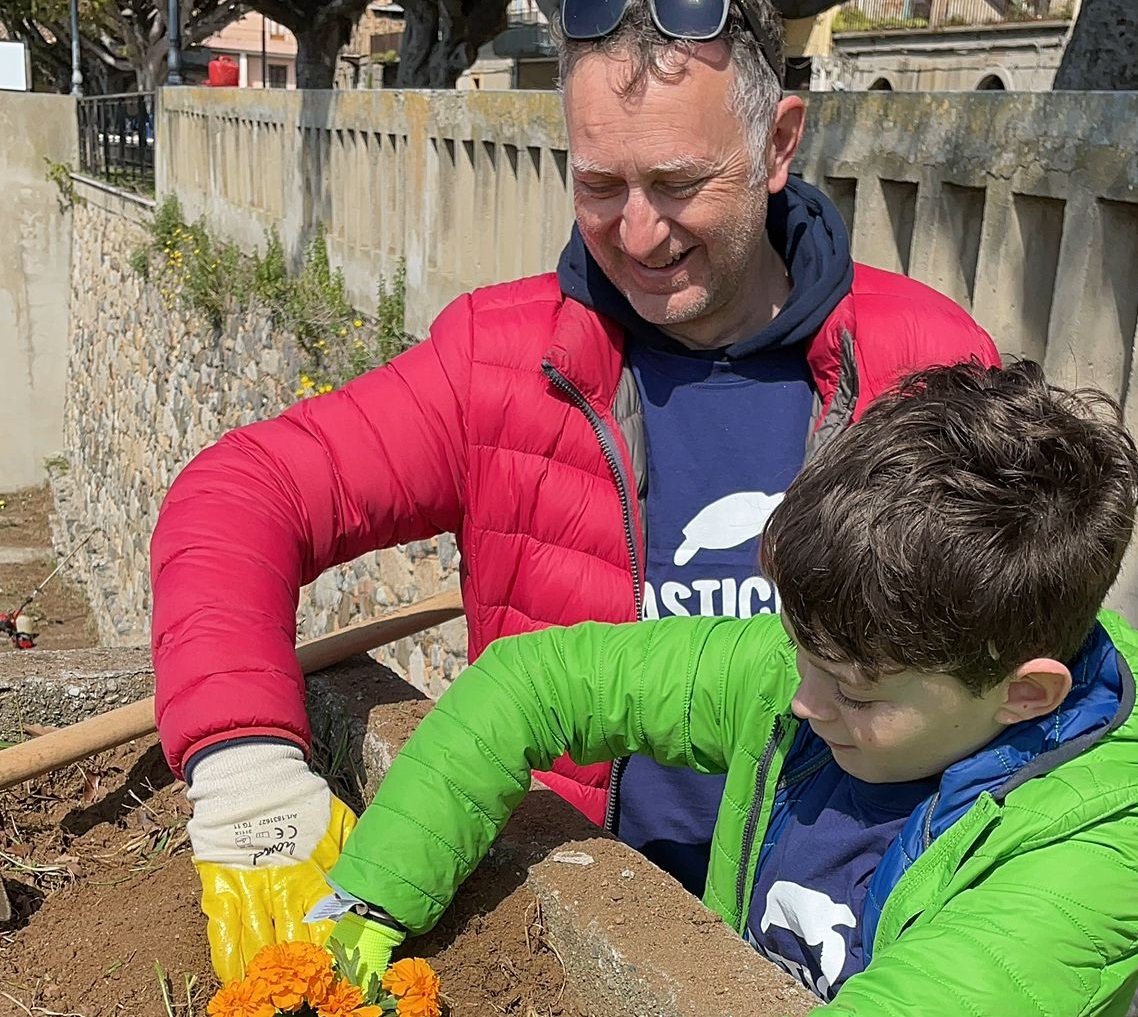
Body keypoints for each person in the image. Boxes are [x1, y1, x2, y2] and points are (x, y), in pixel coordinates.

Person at [150, 0, 998, 981]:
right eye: (599, 185)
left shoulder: (926, 363)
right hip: (560, 933)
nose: (638, 233)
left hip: (847, 951)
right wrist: (244, 765)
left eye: (679, 184)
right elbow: (240, 493)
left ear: (777, 144)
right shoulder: (499, 362)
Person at [323, 360, 1138, 1014]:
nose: (803, 701)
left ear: (1025, 695)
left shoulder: (1093, 858)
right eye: (798, 648)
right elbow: (534, 681)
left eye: (856, 692)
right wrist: (371, 900)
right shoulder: (828, 659)